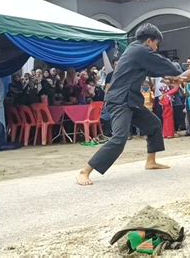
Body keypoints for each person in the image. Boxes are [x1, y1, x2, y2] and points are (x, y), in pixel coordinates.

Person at [76, 23, 182, 186]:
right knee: (119, 138)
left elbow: (153, 69)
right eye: (156, 44)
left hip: (130, 99)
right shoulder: (141, 50)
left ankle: (151, 161)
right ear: (149, 41)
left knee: (154, 124)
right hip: (120, 100)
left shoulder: (135, 50)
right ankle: (85, 171)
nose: (156, 48)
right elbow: (163, 64)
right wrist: (179, 70)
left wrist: (168, 75)